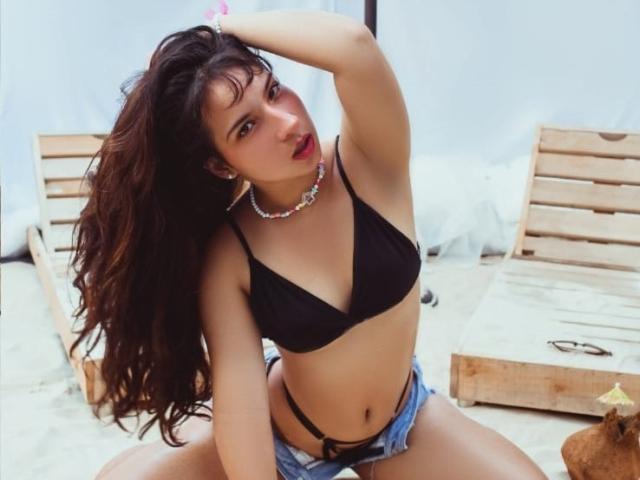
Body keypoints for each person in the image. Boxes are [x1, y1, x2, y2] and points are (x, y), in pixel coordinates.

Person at [72, 9, 548, 480]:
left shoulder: (370, 160)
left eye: (273, 90)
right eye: (246, 127)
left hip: (402, 424)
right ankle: (194, 432)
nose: (286, 122)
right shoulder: (232, 253)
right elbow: (241, 400)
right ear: (221, 165)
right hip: (286, 440)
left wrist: (221, 28)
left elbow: (354, 48)